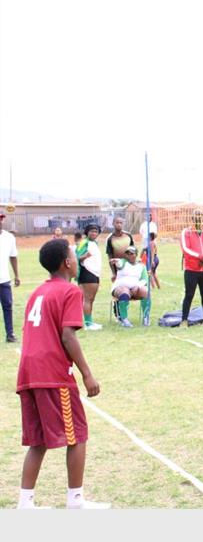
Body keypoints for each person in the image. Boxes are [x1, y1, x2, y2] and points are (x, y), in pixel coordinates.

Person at [16, 238, 109, 509]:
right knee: (77, 434)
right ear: (67, 263)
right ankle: (76, 501)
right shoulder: (70, 292)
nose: (77, 260)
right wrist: (87, 374)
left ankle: (25, 503)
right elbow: (68, 336)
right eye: (73, 255)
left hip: (28, 372)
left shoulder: (38, 293)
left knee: (38, 440)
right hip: (52, 373)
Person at [180, 209, 203, 327]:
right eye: (196, 216)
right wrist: (200, 257)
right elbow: (186, 249)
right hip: (191, 270)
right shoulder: (186, 232)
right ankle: (184, 320)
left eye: (201, 216)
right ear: (192, 218)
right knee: (189, 295)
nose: (199, 218)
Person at [110, 246, 151, 327]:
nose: (129, 255)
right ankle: (124, 319)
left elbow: (145, 279)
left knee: (146, 292)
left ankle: (146, 317)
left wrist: (137, 286)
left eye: (132, 253)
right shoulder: (123, 262)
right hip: (121, 287)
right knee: (124, 292)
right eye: (128, 254)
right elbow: (119, 264)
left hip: (135, 288)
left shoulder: (141, 266)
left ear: (136, 255)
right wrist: (116, 261)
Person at [76, 224, 103, 331]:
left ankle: (90, 321)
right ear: (87, 232)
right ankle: (87, 323)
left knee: (91, 299)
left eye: (96, 231)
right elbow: (77, 257)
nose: (94, 233)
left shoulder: (94, 243)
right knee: (87, 299)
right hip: (87, 272)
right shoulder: (84, 242)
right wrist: (85, 256)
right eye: (91, 231)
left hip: (94, 273)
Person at [1, 211, 21, 342]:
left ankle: (10, 334)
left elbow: (13, 256)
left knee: (8, 306)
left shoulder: (9, 238)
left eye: (1, 218)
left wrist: (17, 275)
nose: (0, 221)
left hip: (4, 279)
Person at [105, 216, 135, 282]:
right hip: (117, 268)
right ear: (113, 224)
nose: (119, 224)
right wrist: (113, 273)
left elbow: (133, 252)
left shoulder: (128, 235)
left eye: (121, 223)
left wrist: (133, 265)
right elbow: (110, 257)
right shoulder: (109, 238)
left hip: (129, 266)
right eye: (117, 223)